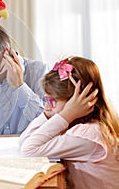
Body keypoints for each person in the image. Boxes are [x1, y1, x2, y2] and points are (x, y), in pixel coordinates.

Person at [18, 57, 119, 189]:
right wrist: (49, 114)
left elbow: (28, 150)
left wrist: (65, 115)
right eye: (47, 99)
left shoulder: (89, 134)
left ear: (77, 102)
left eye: (53, 100)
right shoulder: (75, 124)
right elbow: (24, 141)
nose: (47, 106)